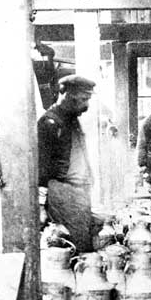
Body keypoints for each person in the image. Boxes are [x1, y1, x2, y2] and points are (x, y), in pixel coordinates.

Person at [38, 74, 97, 252]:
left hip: (78, 192)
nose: (86, 105)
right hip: (63, 192)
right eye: (83, 99)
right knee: (77, 245)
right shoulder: (50, 122)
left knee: (84, 241)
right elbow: (42, 166)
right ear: (66, 95)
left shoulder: (72, 119)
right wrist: (41, 206)